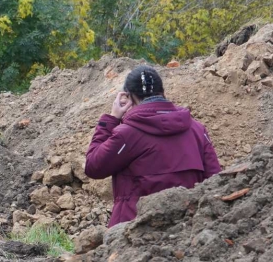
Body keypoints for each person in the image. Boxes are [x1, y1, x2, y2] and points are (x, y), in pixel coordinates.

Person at [84, 66, 222, 227]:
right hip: (188, 231)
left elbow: (93, 167)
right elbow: (215, 181)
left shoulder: (127, 134)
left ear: (127, 98)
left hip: (133, 234)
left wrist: (111, 119)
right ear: (162, 92)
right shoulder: (197, 130)